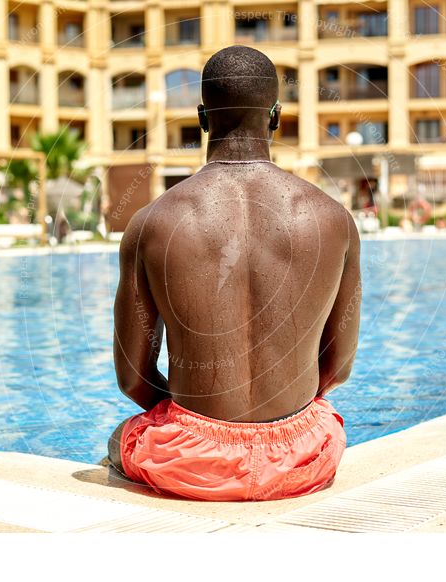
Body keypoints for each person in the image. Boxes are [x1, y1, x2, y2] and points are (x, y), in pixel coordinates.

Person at [107, 46, 361, 502]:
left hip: (192, 462)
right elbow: (338, 368)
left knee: (119, 439)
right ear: (276, 116)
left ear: (203, 117)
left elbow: (133, 380)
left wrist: (202, 423)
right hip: (301, 455)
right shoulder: (333, 219)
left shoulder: (151, 223)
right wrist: (281, 416)